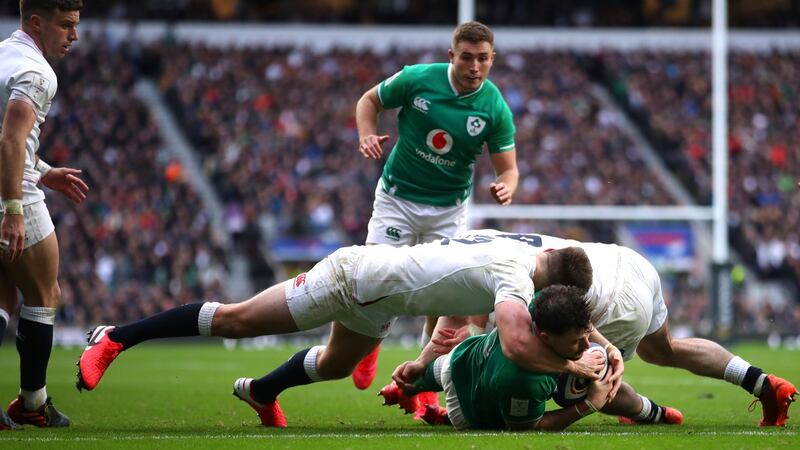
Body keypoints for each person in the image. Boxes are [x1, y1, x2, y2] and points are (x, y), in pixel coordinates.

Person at [77, 235, 611, 427]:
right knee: (236, 320)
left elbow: (455, 306)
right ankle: (116, 336)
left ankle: (263, 392)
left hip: (381, 298)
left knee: (335, 365)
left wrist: (423, 364)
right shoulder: (516, 277)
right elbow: (518, 343)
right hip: (352, 277)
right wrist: (572, 367)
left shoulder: (517, 253)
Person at [428, 230, 798, 427]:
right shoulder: (498, 241)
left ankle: (650, 412)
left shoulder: (483, 266)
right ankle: (763, 383)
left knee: (573, 380)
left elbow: (479, 327)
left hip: (608, 304)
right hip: (629, 264)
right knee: (664, 349)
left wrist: (462, 344)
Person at [353, 20, 519, 393]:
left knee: (445, 298)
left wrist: (504, 188)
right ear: (451, 56)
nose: (474, 67)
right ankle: (369, 344)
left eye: (482, 59)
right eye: (466, 58)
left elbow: (508, 170)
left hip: (449, 210)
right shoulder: (417, 79)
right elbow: (369, 100)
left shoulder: (494, 107)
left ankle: (421, 383)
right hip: (398, 198)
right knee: (374, 279)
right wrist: (366, 135)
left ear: (492, 59)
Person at [383, 285, 681, 430]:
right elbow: (532, 427)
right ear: (545, 338)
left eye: (584, 338)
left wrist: (610, 348)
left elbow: (585, 326)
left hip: (467, 355)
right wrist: (590, 405)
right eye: (576, 342)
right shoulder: (525, 381)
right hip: (468, 405)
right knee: (593, 387)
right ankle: (438, 412)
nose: (584, 346)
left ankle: (651, 412)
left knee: (413, 379)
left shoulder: (544, 306)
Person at [0, 0, 87, 430]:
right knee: (44, 293)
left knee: (3, 297)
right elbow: (12, 141)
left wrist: (47, 170)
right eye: (65, 25)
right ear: (37, 22)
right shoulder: (37, 73)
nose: (73, 35)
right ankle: (33, 401)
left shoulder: (3, 54)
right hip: (13, 196)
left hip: (12, 183)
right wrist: (13, 209)